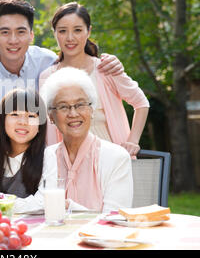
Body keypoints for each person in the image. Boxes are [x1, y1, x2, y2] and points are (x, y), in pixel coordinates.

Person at [0, 0, 125, 132]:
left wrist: (107, 62)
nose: (13, 40)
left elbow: (79, 67)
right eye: (5, 32)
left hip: (47, 154)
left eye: (21, 32)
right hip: (0, 155)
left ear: (31, 36)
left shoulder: (48, 62)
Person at [39, 2, 149, 157]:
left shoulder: (106, 69)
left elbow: (141, 103)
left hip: (112, 159)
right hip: (69, 164)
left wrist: (133, 141)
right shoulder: (47, 77)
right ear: (54, 33)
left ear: (88, 31)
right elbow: (48, 127)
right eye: (62, 31)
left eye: (77, 30)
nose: (70, 38)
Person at [40, 66, 133, 213]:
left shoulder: (116, 157)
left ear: (91, 109)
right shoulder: (44, 158)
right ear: (51, 116)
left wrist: (69, 207)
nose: (73, 113)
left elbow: (115, 219)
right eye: (63, 107)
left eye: (80, 105)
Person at [0, 88, 57, 213]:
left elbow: (44, 202)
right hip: (1, 229)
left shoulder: (47, 157)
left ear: (40, 125)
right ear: (3, 120)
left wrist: (0, 202)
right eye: (15, 114)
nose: (23, 122)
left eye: (31, 116)